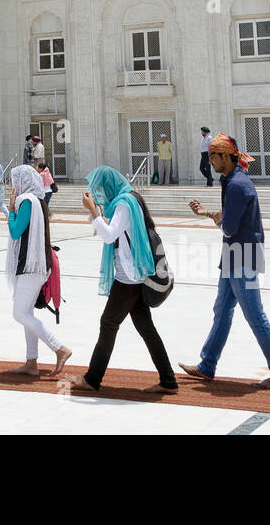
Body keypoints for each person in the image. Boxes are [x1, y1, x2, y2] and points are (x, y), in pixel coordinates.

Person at [179, 133, 270, 389]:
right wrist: (208, 213)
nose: (209, 161)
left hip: (243, 255)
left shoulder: (237, 185)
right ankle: (207, 365)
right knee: (222, 310)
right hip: (235, 254)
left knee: (254, 314)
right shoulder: (232, 181)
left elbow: (229, 228)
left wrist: (213, 217)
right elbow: (230, 220)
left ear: (226, 157)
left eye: (212, 156)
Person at [68, 165, 177, 395]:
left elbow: (109, 236)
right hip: (135, 274)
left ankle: (92, 378)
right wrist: (95, 213)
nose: (99, 194)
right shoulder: (129, 199)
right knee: (146, 327)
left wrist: (93, 211)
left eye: (100, 189)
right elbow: (113, 230)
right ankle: (168, 380)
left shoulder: (123, 204)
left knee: (108, 323)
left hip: (129, 277)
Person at [3, 165, 71, 377]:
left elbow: (15, 231)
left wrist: (11, 209)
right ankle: (31, 362)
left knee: (19, 314)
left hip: (30, 266)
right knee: (27, 312)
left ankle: (59, 348)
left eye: (15, 181)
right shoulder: (39, 201)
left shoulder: (27, 202)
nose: (13, 186)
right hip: (38, 264)